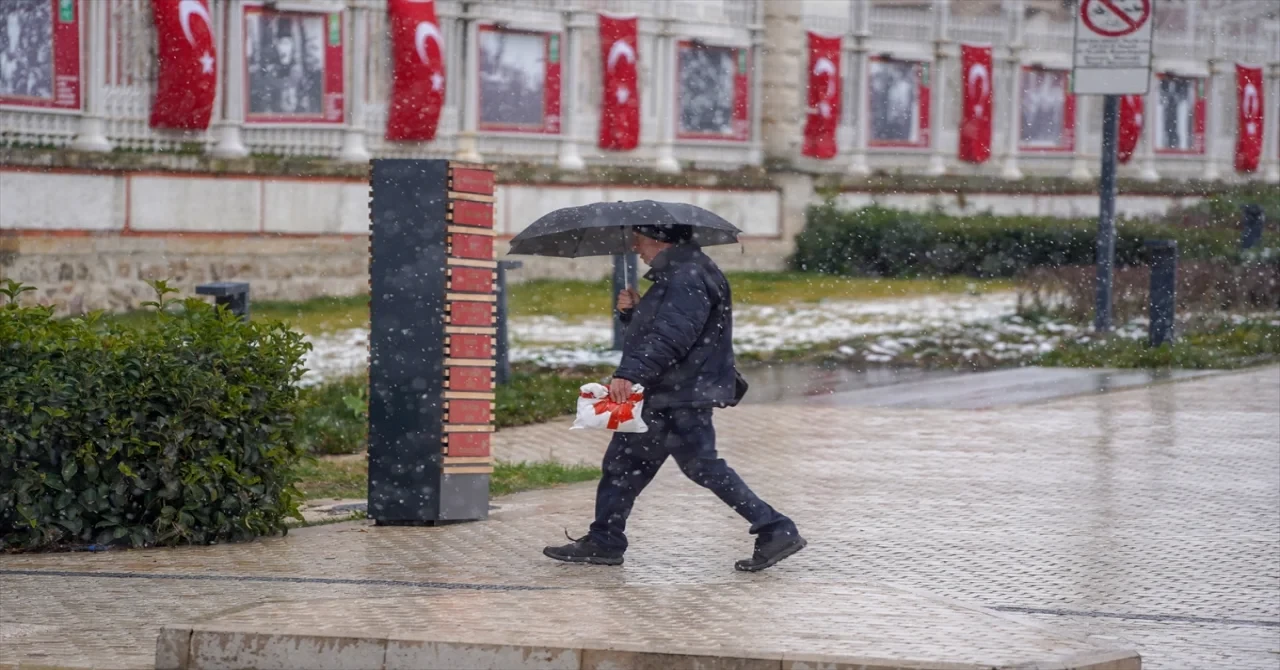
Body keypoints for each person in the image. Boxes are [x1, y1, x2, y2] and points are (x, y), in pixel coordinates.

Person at [543, 223, 805, 572]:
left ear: (657, 239)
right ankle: (605, 540)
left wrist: (630, 374)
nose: (636, 248)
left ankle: (776, 528)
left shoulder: (686, 277)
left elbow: (672, 337)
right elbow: (668, 329)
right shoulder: (683, 272)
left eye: (638, 240)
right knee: (624, 466)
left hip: (678, 394)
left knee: (701, 467)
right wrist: (633, 312)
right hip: (670, 392)